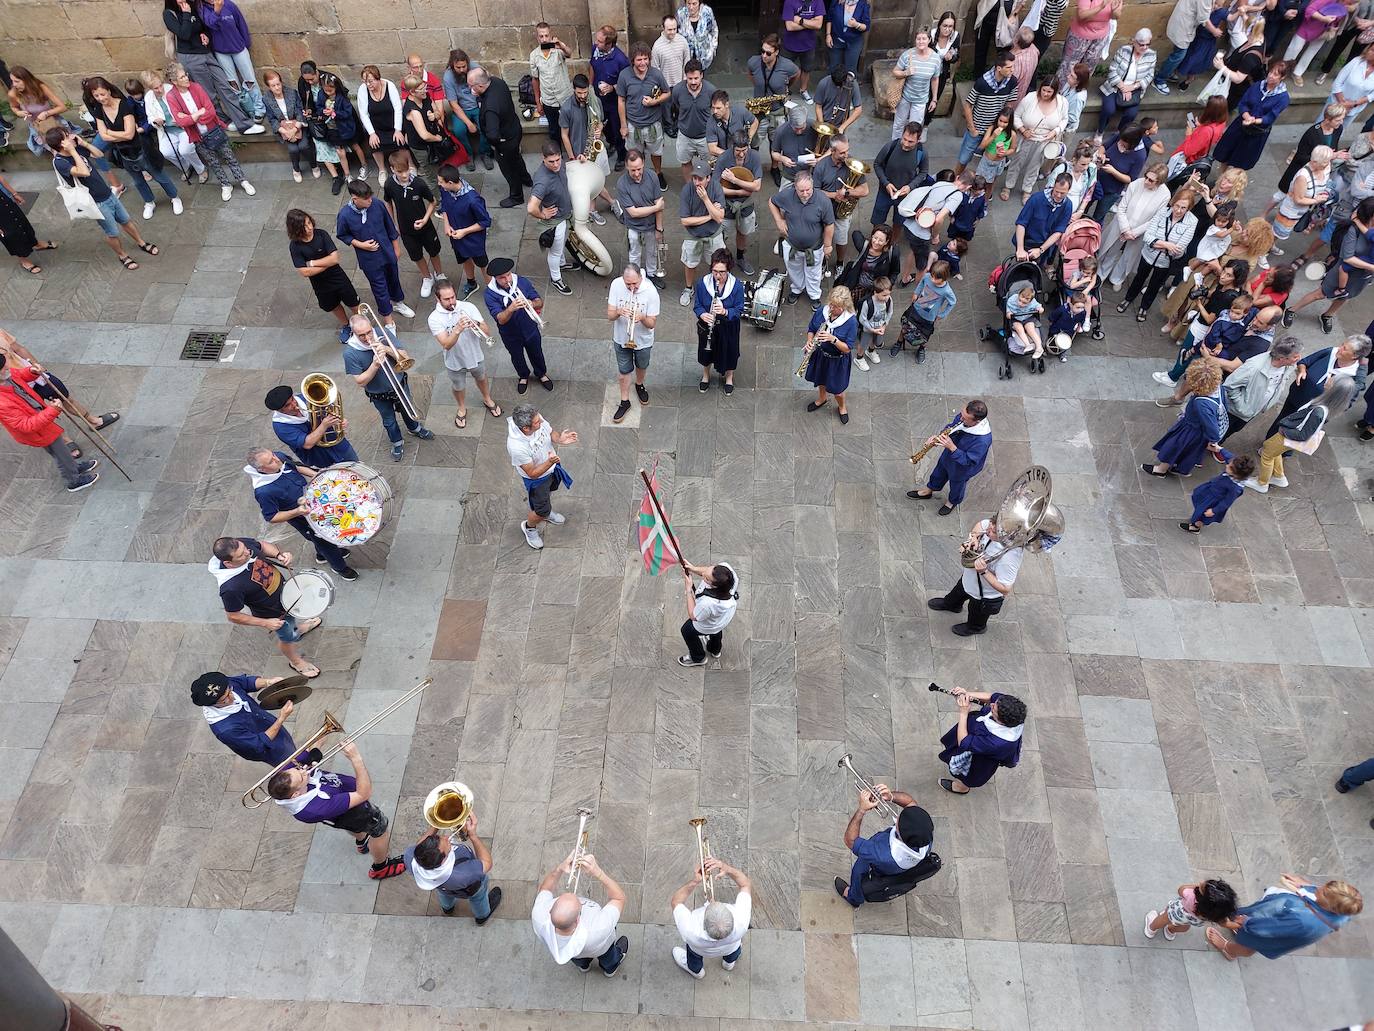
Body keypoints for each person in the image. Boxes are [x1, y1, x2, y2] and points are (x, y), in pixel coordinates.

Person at [267, 736, 406, 881]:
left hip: (341, 809)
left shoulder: (286, 774)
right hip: (354, 811)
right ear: (296, 794)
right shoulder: (316, 807)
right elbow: (363, 794)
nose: (304, 771)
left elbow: (308, 751)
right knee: (379, 829)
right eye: (301, 777)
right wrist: (356, 759)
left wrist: (324, 734)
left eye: (299, 770)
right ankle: (381, 867)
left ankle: (362, 841)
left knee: (354, 826)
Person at [46, 127, 158, 272]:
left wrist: (84, 144)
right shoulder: (60, 162)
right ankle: (122, 255)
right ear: (62, 143)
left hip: (108, 193)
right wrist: (73, 151)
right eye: (67, 136)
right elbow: (84, 172)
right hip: (96, 202)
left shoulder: (77, 148)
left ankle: (141, 242)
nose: (72, 136)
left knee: (126, 220)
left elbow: (98, 155)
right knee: (112, 232)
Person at [209, 536, 319, 677]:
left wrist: (279, 555)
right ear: (228, 563)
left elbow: (262, 546)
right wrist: (266, 623)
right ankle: (296, 662)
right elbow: (233, 615)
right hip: (273, 613)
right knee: (286, 637)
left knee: (294, 619)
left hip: (286, 595)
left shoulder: (242, 546)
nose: (248, 553)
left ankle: (296, 631)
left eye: (245, 549)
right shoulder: (230, 587)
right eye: (241, 555)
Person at [244, 447, 358, 580]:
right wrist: (297, 511)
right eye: (270, 462)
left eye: (273, 455)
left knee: (322, 537)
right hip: (301, 517)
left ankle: (321, 555)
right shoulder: (264, 492)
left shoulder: (278, 457)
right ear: (262, 469)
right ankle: (339, 567)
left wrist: (315, 475)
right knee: (324, 541)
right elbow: (272, 517)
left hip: (313, 502)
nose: (276, 459)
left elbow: (295, 467)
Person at [341, 312, 436, 462]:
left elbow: (404, 356)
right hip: (379, 393)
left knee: (408, 408)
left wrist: (387, 349)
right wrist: (375, 365)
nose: (367, 338)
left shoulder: (381, 333)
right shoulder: (350, 353)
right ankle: (397, 442)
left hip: (399, 384)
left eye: (369, 332)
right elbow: (360, 381)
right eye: (362, 335)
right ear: (353, 333)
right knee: (389, 420)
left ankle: (414, 428)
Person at [84, 77, 182, 222]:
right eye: (97, 96)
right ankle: (149, 202)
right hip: (124, 152)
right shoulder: (99, 109)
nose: (100, 98)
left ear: (109, 91)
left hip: (140, 148)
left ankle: (175, 197)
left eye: (103, 94)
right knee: (138, 181)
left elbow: (130, 134)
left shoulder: (124, 105)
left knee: (159, 174)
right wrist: (116, 135)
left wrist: (110, 133)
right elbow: (104, 137)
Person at [0, 351, 99, 493]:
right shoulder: (2, 403)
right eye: (3, 367)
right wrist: (52, 410)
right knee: (60, 453)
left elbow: (20, 375)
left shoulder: (7, 375)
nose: (8, 367)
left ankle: (74, 467)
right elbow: (25, 425)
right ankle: (73, 480)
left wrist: (32, 372)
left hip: (41, 419)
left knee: (62, 450)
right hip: (37, 430)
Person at [161, 0, 260, 137]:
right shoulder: (169, 14)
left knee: (225, 86)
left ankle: (244, 123)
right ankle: (224, 120)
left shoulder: (194, 6)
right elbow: (184, 34)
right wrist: (186, 14)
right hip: (190, 57)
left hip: (206, 52)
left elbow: (204, 26)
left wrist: (205, 34)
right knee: (209, 93)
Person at [1206, 876, 1363, 961]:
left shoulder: (1303, 921)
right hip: (1282, 922)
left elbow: (1271, 929)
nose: (1319, 888)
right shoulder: (1342, 912)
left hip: (1272, 931)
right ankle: (1241, 931)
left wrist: (1247, 922)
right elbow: (1321, 894)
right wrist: (1305, 886)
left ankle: (1230, 950)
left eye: (1323, 892)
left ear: (1331, 906)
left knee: (1249, 945)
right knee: (1248, 932)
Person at [164, 63, 256, 203]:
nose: (186, 78)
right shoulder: (172, 97)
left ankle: (242, 180)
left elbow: (210, 111)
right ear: (174, 82)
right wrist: (198, 113)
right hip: (198, 136)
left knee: (229, 156)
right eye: (182, 77)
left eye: (185, 74)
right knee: (213, 162)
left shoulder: (196, 87)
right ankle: (225, 185)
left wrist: (191, 117)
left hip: (213, 129)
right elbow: (181, 122)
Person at [834, 784, 935, 907]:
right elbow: (910, 802)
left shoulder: (882, 853)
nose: (897, 817)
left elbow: (850, 840)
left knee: (858, 873)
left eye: (899, 820)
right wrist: (891, 796)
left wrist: (861, 810)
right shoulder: (923, 834)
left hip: (879, 867)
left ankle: (853, 897)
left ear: (901, 834)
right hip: (902, 867)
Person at [531, 850, 629, 975]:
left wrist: (560, 868)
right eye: (579, 904)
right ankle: (610, 969)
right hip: (601, 948)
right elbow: (619, 898)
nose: (575, 895)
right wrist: (598, 872)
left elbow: (545, 889)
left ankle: (584, 966)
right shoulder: (599, 928)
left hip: (576, 954)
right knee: (609, 956)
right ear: (577, 920)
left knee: (578, 958)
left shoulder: (539, 916)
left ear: (550, 910)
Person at [190, 670, 317, 767]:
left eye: (230, 692)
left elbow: (245, 682)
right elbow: (260, 743)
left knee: (287, 742)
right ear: (212, 705)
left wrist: (268, 682)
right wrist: (281, 718)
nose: (232, 698)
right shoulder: (226, 730)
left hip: (267, 724)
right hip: (268, 748)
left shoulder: (224, 686)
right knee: (288, 759)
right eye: (224, 700)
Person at [336, 180, 414, 329]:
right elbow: (343, 235)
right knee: (380, 288)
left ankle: (398, 303)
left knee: (394, 279)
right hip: (369, 260)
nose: (370, 200)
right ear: (355, 199)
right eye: (366, 199)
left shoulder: (377, 204)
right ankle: (389, 322)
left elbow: (390, 226)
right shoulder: (345, 215)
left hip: (387, 252)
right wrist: (361, 244)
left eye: (370, 196)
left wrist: (396, 249)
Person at [927, 517, 1023, 635]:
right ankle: (952, 605)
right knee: (958, 592)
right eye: (992, 524)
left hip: (984, 595)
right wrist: (973, 538)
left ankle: (975, 627)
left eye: (993, 532)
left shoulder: (1010, 558)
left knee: (976, 613)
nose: (988, 530)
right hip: (969, 579)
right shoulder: (994, 525)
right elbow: (980, 525)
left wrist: (984, 572)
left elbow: (1005, 589)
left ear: (1006, 537)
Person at [1117, 189, 1199, 321]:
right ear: (1173, 203)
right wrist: (1167, 245)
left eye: (1183, 208)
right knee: (1139, 278)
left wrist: (1157, 243)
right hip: (1148, 255)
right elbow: (1148, 236)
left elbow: (1179, 248)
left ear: (1189, 208)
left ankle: (1144, 307)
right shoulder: (1162, 212)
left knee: (1155, 285)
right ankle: (1128, 298)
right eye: (1176, 206)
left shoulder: (1192, 221)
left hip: (1166, 261)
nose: (1178, 210)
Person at [430, 278, 500, 431]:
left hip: (475, 354)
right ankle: (462, 408)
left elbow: (487, 331)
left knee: (481, 377)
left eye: (453, 297)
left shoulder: (468, 307)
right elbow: (446, 344)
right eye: (446, 299)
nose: (452, 302)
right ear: (438, 299)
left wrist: (475, 322)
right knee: (458, 385)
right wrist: (457, 329)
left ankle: (487, 399)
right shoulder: (434, 318)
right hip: (454, 360)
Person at [506, 402, 577, 550]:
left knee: (549, 493)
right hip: (538, 480)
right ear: (526, 428)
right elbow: (532, 473)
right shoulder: (517, 447)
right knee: (540, 510)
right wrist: (550, 461)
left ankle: (546, 510)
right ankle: (530, 527)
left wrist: (560, 439)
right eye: (537, 422)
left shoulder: (536, 419)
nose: (541, 421)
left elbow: (551, 433)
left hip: (551, 470)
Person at [669, 853, 751, 978]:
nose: (712, 901)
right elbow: (745, 885)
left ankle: (696, 972)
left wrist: (695, 881)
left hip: (698, 949)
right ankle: (729, 963)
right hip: (731, 946)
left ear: (704, 923)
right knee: (734, 950)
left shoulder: (690, 930)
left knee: (693, 957)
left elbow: (676, 902)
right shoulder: (742, 921)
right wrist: (726, 868)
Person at [1142, 358, 1226, 477]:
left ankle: (1161, 470)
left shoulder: (1201, 404)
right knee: (1191, 452)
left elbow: (1212, 428)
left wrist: (1213, 440)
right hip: (1199, 432)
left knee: (1173, 447)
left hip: (1190, 429)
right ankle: (1182, 470)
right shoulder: (1218, 388)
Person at [405, 820, 502, 923]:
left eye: (438, 837)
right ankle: (482, 916)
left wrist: (435, 826)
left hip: (443, 888)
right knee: (478, 897)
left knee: (444, 894)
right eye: (446, 843)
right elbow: (487, 863)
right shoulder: (463, 874)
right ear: (443, 860)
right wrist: (473, 836)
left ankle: (448, 908)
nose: (446, 838)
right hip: (471, 889)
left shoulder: (409, 856)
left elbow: (420, 845)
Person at [286, 209, 360, 342]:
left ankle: (361, 325)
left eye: (309, 223)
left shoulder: (321, 235)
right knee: (333, 306)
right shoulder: (295, 246)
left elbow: (335, 259)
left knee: (354, 303)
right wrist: (327, 263)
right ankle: (346, 325)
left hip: (338, 277)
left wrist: (312, 263)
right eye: (305, 226)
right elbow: (304, 272)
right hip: (320, 284)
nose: (310, 228)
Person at [907, 401, 991, 516]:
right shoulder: (964, 418)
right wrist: (939, 437)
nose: (961, 418)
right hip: (949, 456)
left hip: (962, 468)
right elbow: (951, 427)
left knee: (957, 484)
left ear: (977, 421)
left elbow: (969, 461)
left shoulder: (982, 441)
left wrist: (952, 448)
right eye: (962, 414)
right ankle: (929, 491)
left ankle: (952, 502)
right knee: (938, 472)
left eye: (965, 418)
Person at [936, 688, 1027, 792]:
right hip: (975, 735)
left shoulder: (996, 743)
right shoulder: (1010, 710)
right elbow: (992, 697)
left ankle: (962, 787)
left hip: (979, 758)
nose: (991, 705)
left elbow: (964, 742)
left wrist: (963, 713)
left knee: (969, 774)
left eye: (994, 710)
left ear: (1002, 722)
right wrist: (967, 694)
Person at [1097, 163, 1171, 288]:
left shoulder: (1165, 195)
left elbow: (1155, 219)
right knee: (1111, 249)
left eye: (1151, 180)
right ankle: (1101, 274)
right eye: (1146, 177)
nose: (1146, 182)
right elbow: (1122, 207)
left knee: (1129, 256)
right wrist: (1125, 229)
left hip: (1139, 231)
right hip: (1121, 223)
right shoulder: (1136, 184)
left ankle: (1117, 278)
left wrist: (1135, 233)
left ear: (1159, 182)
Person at [485, 258, 552, 394]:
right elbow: (500, 319)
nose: (507, 280)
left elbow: (539, 301)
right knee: (516, 356)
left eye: (508, 275)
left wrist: (531, 303)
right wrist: (511, 308)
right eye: (502, 278)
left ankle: (541, 373)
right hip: (510, 334)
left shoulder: (522, 282)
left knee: (537, 353)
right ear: (495, 278)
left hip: (530, 328)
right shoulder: (489, 294)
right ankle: (523, 376)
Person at [1213, 63, 1291, 178]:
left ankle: (1231, 184)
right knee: (1226, 153)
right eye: (1270, 72)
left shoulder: (1283, 98)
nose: (1270, 76)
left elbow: (1270, 117)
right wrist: (1247, 116)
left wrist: (1254, 121)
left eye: (1275, 75)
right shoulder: (1258, 85)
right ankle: (1221, 178)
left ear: (1282, 77)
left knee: (1241, 163)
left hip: (1257, 132)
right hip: (1241, 124)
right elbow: (1243, 103)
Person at [771, 170, 836, 309]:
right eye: (801, 191)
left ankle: (814, 295)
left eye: (808, 190)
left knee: (813, 272)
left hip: (814, 247)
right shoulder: (787, 195)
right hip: (792, 244)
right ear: (795, 187)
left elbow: (829, 224)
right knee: (793, 269)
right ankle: (797, 289)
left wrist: (828, 245)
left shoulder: (823, 200)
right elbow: (771, 202)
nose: (805, 194)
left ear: (813, 186)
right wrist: (778, 220)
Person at [1218, 336, 1304, 440]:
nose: (1299, 358)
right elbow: (1229, 385)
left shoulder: (1289, 366)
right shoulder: (1254, 367)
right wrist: (1242, 406)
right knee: (1220, 431)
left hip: (1252, 411)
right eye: (1295, 357)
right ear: (1282, 358)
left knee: (1233, 430)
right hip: (1235, 412)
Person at [383, 151, 443, 299]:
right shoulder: (389, 184)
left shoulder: (419, 183)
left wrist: (424, 219)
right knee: (416, 256)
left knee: (434, 251)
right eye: (400, 171)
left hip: (426, 228)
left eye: (406, 170)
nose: (404, 174)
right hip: (406, 230)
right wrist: (392, 222)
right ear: (392, 169)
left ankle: (439, 274)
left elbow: (433, 202)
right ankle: (427, 277)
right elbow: (388, 201)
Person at [607, 263, 662, 423]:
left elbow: (652, 323)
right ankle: (625, 401)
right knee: (623, 371)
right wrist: (618, 312)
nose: (631, 288)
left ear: (641, 278)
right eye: (628, 284)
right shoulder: (616, 285)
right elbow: (610, 315)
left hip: (643, 340)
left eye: (634, 284)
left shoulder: (651, 292)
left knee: (642, 365)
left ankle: (639, 384)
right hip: (621, 338)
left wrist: (642, 317)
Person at [468, 68, 530, 209]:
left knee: (509, 168)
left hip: (504, 141)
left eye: (471, 86)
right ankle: (526, 178)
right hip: (514, 128)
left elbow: (492, 134)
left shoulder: (491, 107)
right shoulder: (497, 82)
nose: (469, 89)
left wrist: (494, 145)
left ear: (481, 86)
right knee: (516, 157)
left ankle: (516, 196)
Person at [138, 67, 208, 184]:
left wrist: (182, 118)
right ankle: (186, 167)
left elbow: (187, 107)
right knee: (166, 152)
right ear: (149, 88)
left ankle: (201, 169)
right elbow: (150, 117)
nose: (160, 89)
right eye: (156, 88)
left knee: (185, 150)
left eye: (160, 85)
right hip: (166, 130)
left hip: (183, 128)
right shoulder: (149, 97)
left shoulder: (172, 89)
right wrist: (156, 121)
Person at [810, 133, 867, 274]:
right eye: (842, 152)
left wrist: (847, 193)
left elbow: (865, 190)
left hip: (841, 213)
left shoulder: (853, 164)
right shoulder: (821, 166)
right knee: (822, 238)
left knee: (841, 239)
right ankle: (823, 261)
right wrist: (833, 195)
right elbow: (814, 191)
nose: (846, 154)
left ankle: (840, 262)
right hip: (823, 210)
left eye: (847, 150)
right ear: (832, 151)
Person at [560, 74, 614, 224]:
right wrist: (572, 157)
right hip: (579, 153)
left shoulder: (594, 101)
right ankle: (600, 207)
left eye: (585, 92)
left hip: (595, 147)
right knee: (589, 183)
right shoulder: (566, 108)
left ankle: (594, 208)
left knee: (598, 180)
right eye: (579, 93)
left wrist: (600, 128)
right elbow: (564, 135)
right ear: (574, 90)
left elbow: (601, 122)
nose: (583, 96)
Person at [618, 43, 672, 189]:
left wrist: (654, 101)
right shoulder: (624, 75)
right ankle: (636, 176)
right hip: (633, 124)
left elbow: (667, 93)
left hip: (653, 124)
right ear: (633, 61)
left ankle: (658, 174)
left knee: (656, 152)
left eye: (645, 59)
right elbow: (621, 100)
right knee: (634, 154)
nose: (643, 63)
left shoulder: (656, 74)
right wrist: (623, 125)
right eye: (639, 60)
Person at [264, 383, 357, 468]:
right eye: (287, 405)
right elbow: (307, 443)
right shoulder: (281, 427)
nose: (294, 404)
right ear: (280, 410)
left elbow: (329, 410)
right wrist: (324, 425)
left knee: (357, 467)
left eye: (292, 399)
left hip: (340, 445)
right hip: (320, 458)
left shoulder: (307, 398)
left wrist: (339, 420)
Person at [1005, 79, 1068, 204]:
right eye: (1044, 90)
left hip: (1044, 140)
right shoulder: (1030, 98)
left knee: (1035, 165)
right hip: (1026, 137)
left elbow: (1064, 119)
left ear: (1055, 92)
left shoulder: (1062, 102)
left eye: (1049, 92)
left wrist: (1055, 131)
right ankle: (1008, 186)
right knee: (1017, 161)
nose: (1045, 94)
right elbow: (1016, 116)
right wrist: (1023, 130)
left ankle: (1027, 189)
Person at [956, 51, 1018, 175]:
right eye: (1009, 67)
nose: (1013, 70)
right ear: (999, 68)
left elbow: (1010, 104)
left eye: (1013, 66)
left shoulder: (1012, 82)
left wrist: (1003, 126)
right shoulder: (982, 83)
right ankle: (954, 181)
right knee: (964, 159)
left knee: (990, 162)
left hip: (996, 129)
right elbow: (968, 105)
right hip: (978, 128)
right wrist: (972, 128)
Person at [201, 0, 265, 122]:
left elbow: (241, 24)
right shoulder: (203, 9)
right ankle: (247, 109)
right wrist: (217, 11)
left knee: (250, 78)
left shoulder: (229, 4)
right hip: (221, 51)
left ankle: (259, 108)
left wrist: (245, 44)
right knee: (233, 83)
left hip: (239, 48)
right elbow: (211, 24)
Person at [802, 285, 858, 423]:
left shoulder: (851, 322)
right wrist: (809, 341)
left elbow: (847, 349)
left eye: (836, 306)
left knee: (838, 390)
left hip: (837, 360)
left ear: (844, 306)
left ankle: (842, 406)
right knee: (821, 380)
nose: (831, 309)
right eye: (831, 304)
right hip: (821, 355)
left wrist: (832, 339)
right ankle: (822, 398)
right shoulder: (823, 311)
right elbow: (811, 328)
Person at [713, 130, 764, 278]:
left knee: (743, 232)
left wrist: (734, 180)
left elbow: (757, 186)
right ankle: (723, 261)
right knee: (722, 233)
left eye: (744, 150)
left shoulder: (754, 157)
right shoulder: (723, 158)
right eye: (737, 151)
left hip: (745, 205)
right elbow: (716, 187)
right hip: (727, 204)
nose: (741, 154)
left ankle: (740, 258)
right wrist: (742, 192)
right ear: (732, 147)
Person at [694, 249, 746, 393]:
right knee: (706, 352)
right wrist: (702, 314)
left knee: (730, 352)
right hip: (708, 326)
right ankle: (706, 376)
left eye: (722, 272)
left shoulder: (736, 286)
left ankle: (729, 377)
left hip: (728, 327)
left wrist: (725, 312)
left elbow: (739, 309)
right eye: (715, 271)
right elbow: (697, 305)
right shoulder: (702, 284)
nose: (717, 275)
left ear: (728, 270)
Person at [528, 141, 575, 297]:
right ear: (543, 158)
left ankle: (562, 264)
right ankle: (556, 279)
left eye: (558, 160)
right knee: (555, 251)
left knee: (561, 245)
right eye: (551, 162)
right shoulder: (543, 180)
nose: (556, 165)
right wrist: (543, 214)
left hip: (565, 214)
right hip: (555, 221)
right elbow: (531, 207)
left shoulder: (560, 165)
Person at [436, 164, 491, 298]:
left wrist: (464, 232)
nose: (439, 184)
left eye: (441, 182)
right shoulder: (445, 190)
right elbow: (444, 206)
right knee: (464, 258)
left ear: (449, 182)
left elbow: (485, 222)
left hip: (473, 240)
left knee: (482, 264)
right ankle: (471, 283)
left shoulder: (473, 200)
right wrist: (446, 224)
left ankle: (492, 289)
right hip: (456, 237)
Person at [679, 159, 727, 305]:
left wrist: (706, 199)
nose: (697, 182)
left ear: (708, 178)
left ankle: (716, 288)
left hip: (713, 234)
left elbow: (719, 218)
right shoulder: (687, 190)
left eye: (700, 179)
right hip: (693, 235)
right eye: (694, 178)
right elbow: (685, 221)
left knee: (717, 264)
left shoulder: (716, 188)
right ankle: (688, 288)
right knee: (690, 263)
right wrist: (710, 215)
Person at [746, 36, 800, 162]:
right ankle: (754, 165)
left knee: (775, 143)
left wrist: (787, 87)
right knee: (754, 142)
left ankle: (775, 168)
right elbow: (750, 72)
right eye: (762, 51)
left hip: (777, 111)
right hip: (759, 112)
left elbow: (796, 73)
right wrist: (759, 85)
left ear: (776, 52)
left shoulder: (787, 65)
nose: (764, 56)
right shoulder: (753, 62)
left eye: (768, 53)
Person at [617, 149, 667, 286]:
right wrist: (656, 208)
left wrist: (659, 228)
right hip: (634, 226)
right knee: (634, 253)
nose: (637, 173)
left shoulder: (652, 176)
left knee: (652, 251)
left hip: (651, 225)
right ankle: (634, 277)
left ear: (644, 163)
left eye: (639, 169)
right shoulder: (622, 184)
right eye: (633, 170)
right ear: (627, 166)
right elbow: (633, 213)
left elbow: (658, 200)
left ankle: (651, 275)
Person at [679, 559, 739, 666]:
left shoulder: (708, 604)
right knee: (716, 631)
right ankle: (715, 650)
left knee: (687, 631)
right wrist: (693, 568)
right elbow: (707, 571)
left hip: (707, 625)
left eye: (706, 578)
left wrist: (688, 589)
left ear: (713, 585)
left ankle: (698, 657)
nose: (703, 575)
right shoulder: (727, 573)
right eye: (711, 568)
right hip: (721, 620)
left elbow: (693, 616)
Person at [894, 259, 956, 363]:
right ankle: (899, 342)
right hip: (916, 310)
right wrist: (916, 292)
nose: (932, 279)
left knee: (924, 335)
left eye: (936, 278)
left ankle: (921, 348)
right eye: (932, 275)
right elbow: (922, 282)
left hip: (929, 318)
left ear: (944, 277)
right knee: (905, 326)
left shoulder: (946, 291)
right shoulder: (927, 277)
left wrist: (942, 314)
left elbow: (952, 302)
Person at [1097, 31, 1157, 136]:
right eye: (1141, 44)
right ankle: (1100, 132)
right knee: (1109, 110)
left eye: (1148, 44)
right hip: (1115, 87)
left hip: (1135, 90)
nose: (1145, 47)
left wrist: (1132, 87)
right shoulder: (1124, 50)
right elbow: (1112, 71)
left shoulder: (1151, 55)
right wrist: (1123, 87)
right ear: (1134, 42)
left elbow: (1149, 76)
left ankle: (1120, 133)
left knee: (1131, 114)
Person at [870, 122, 929, 229]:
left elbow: (923, 172)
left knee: (899, 223)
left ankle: (892, 243)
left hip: (905, 196)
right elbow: (877, 164)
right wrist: (886, 183)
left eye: (910, 141)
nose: (906, 144)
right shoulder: (890, 146)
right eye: (904, 139)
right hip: (884, 192)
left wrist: (910, 187)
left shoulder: (922, 153)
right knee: (877, 221)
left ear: (918, 139)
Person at [261, 70, 315, 183]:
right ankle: (296, 170)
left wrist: (295, 129)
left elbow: (300, 111)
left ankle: (314, 165)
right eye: (273, 86)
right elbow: (272, 119)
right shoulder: (266, 99)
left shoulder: (292, 93)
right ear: (268, 86)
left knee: (304, 145)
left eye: (278, 84)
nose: (277, 88)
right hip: (284, 129)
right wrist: (285, 132)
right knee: (293, 149)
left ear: (281, 82)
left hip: (298, 125)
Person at [443, 50, 491, 173]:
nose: (462, 69)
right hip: (461, 108)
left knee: (485, 126)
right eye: (458, 67)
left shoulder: (474, 68)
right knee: (459, 130)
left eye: (464, 66)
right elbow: (453, 104)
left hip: (478, 105)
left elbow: (486, 83)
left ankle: (485, 152)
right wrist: (469, 124)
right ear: (452, 65)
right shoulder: (448, 77)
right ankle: (468, 154)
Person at [1144, 879, 1240, 941]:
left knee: (1163, 918)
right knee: (1184, 927)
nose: (1201, 882)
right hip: (1190, 921)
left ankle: (1151, 928)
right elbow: (1225, 923)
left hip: (1175, 912)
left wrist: (1196, 888)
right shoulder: (1216, 915)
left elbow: (1181, 889)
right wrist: (1238, 925)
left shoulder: (1191, 896)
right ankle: (1170, 930)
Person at [310, 72, 358, 195]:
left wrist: (335, 113)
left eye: (330, 90)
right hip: (331, 129)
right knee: (339, 151)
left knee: (345, 150)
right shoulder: (322, 95)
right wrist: (323, 111)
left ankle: (347, 175)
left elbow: (347, 112)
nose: (328, 93)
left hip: (343, 128)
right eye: (326, 90)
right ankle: (345, 174)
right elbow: (319, 107)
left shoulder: (342, 97)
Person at [0, 170, 56, 276]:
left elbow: (0, 178)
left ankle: (36, 243)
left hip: (4, 199)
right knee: (10, 234)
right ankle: (24, 260)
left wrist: (14, 193)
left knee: (22, 223)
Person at [1057, 0, 1121, 91]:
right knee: (1068, 67)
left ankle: (1077, 94)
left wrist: (1114, 11)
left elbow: (1116, 15)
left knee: (1087, 68)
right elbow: (1082, 16)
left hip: (1100, 37)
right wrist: (1101, 7)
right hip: (1079, 36)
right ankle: (1058, 93)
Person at [1154, 0, 1216, 93]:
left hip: (1181, 22)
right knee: (1178, 55)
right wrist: (1215, 31)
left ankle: (1168, 72)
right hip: (1184, 26)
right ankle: (1159, 79)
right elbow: (1204, 18)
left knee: (1177, 52)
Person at [591, 26, 632, 170]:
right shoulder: (595, 50)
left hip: (614, 102)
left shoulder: (621, 60)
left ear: (609, 44)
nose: (596, 43)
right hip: (599, 99)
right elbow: (592, 67)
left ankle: (622, 155)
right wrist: (591, 86)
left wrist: (612, 87)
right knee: (604, 126)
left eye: (600, 41)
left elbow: (627, 81)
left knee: (617, 128)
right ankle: (611, 143)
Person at [890, 28, 943, 137]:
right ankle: (894, 146)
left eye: (924, 38)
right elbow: (895, 72)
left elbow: (935, 79)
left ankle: (909, 148)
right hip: (905, 97)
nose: (921, 41)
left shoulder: (936, 59)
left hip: (921, 100)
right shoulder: (907, 55)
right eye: (918, 39)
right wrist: (906, 72)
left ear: (929, 40)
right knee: (899, 125)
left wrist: (934, 99)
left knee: (914, 128)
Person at [1181, 454, 1254, 532]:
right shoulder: (1235, 469)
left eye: (1229, 467)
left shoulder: (1235, 488)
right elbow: (1229, 456)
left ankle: (1196, 527)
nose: (1227, 465)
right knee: (1200, 509)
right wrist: (1219, 449)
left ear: (1236, 474)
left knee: (1203, 516)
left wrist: (1214, 511)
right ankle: (1197, 519)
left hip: (1212, 502)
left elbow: (1227, 502)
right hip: (1209, 492)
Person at [1093, 125, 1151, 222]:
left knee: (1098, 217)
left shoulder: (1140, 155)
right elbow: (1104, 146)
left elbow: (1130, 179)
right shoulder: (1120, 136)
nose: (1120, 142)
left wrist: (1114, 172)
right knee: (1085, 205)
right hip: (1097, 179)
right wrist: (1101, 154)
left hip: (1112, 190)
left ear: (1132, 143)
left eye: (1124, 143)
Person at [528, 21, 574, 143]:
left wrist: (562, 46)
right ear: (537, 37)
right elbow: (535, 79)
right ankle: (557, 158)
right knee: (554, 131)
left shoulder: (558, 49)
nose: (544, 39)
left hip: (565, 97)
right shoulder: (534, 56)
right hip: (549, 100)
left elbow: (569, 54)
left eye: (546, 35)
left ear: (550, 35)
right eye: (541, 36)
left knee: (572, 127)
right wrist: (538, 102)